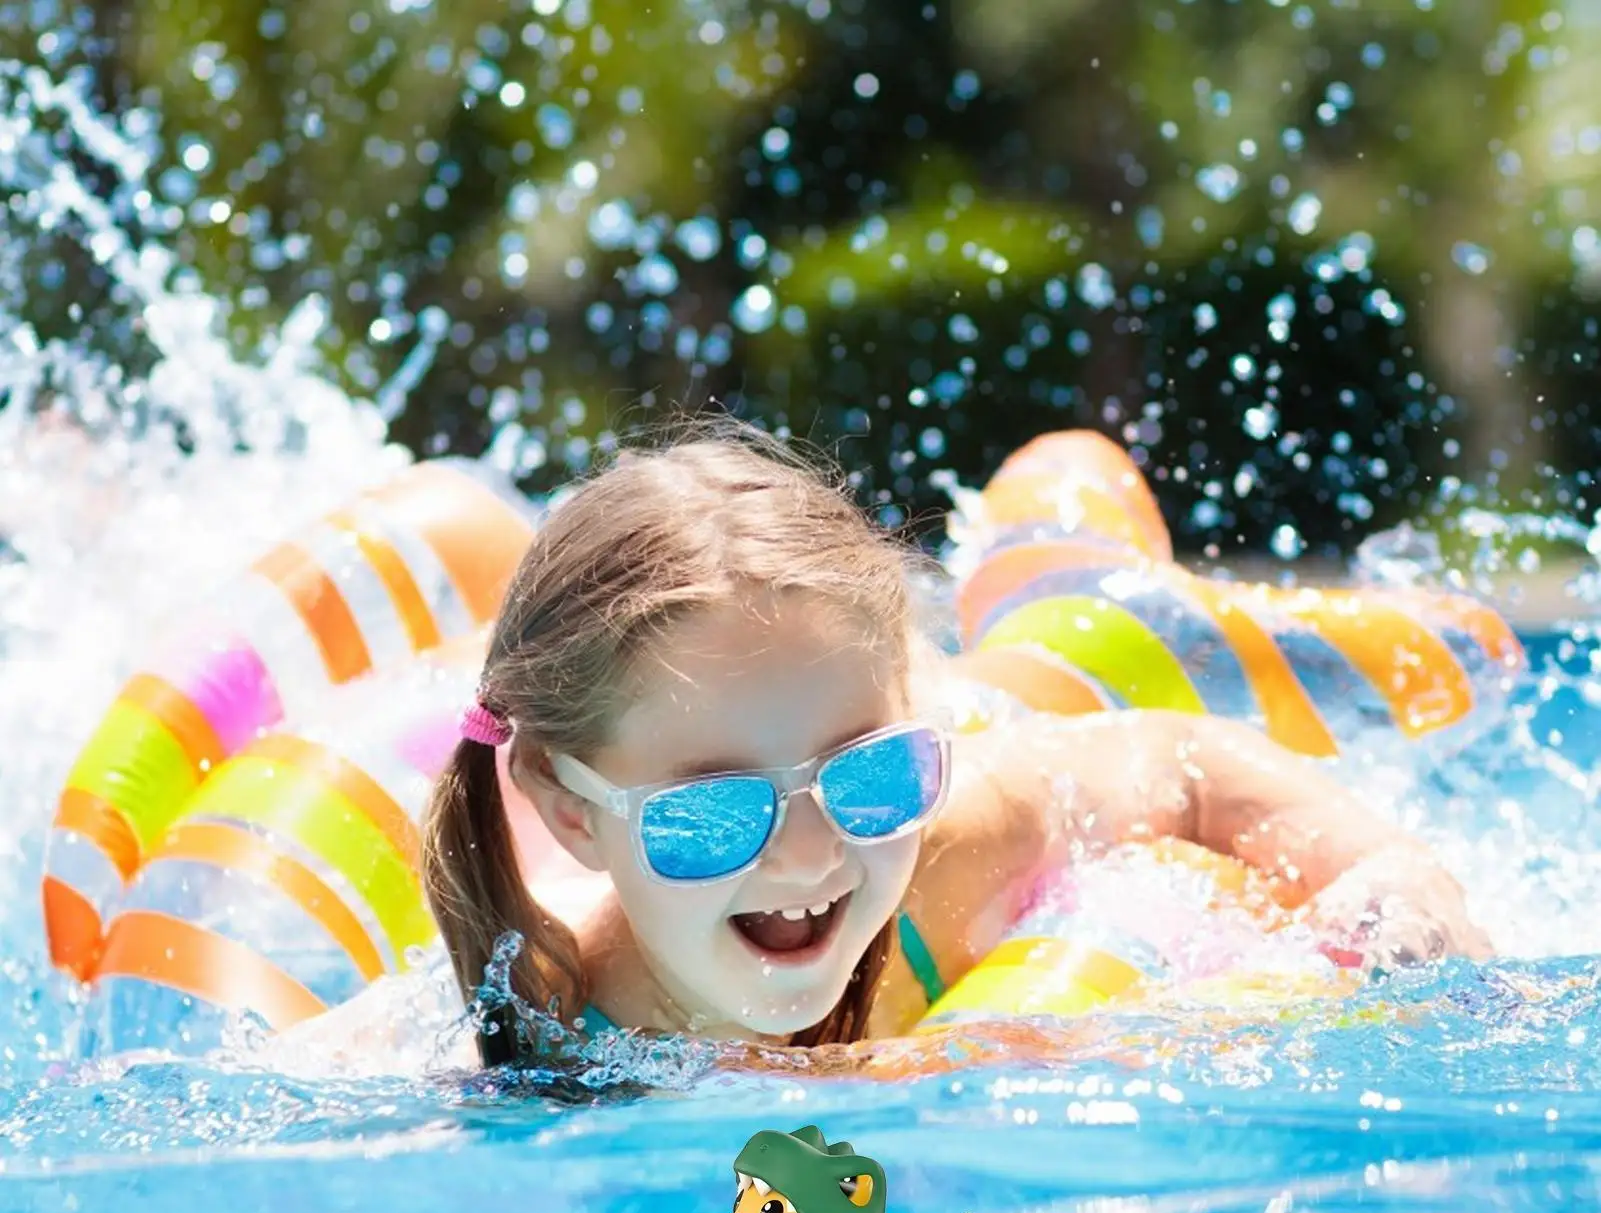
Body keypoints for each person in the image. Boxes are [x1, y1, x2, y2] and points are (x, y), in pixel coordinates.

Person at [419, 425, 1491, 1065]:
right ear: (571, 813)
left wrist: (1379, 866)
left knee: (1086, 645)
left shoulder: (942, 850)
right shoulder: (532, 1027)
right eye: (714, 811)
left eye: (872, 776)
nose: (807, 857)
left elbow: (1173, 763)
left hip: (1011, 710)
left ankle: (1095, 577)